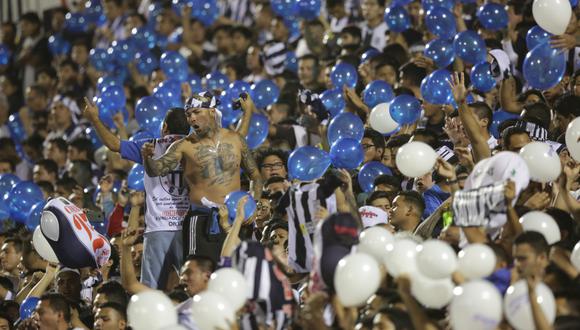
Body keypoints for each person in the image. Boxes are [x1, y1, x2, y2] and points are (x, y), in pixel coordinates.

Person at [141, 91, 263, 262]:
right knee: (200, 274)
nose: (191, 119)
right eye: (188, 115)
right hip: (202, 220)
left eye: (197, 112)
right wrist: (147, 157)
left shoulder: (236, 139)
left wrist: (253, 204)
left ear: (212, 111)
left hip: (237, 219)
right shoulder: (183, 146)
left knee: (240, 270)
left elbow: (255, 175)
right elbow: (156, 170)